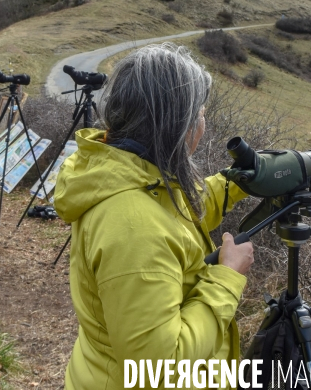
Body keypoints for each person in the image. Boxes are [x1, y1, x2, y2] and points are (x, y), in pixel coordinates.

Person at [54, 43, 254, 390]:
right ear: (175, 126)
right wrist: (226, 277)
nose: (203, 126)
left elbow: (173, 214)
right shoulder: (133, 226)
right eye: (200, 115)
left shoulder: (125, 171)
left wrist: (236, 183)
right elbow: (158, 368)